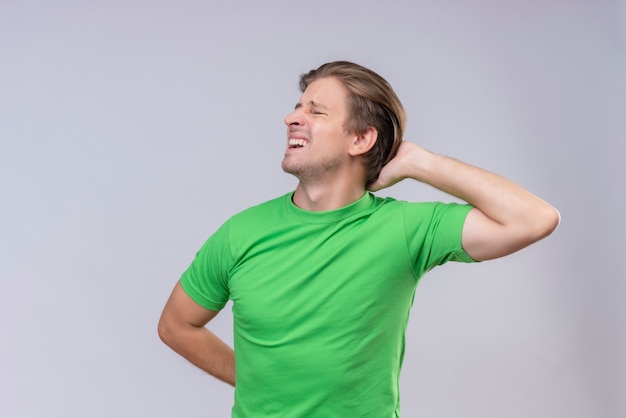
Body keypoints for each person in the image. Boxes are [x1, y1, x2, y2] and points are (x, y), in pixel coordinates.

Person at [158, 61, 560, 417]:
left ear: (361, 139)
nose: (292, 118)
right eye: (298, 106)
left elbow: (533, 219)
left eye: (315, 111)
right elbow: (176, 325)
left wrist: (422, 163)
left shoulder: (406, 228)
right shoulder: (240, 233)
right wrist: (258, 382)